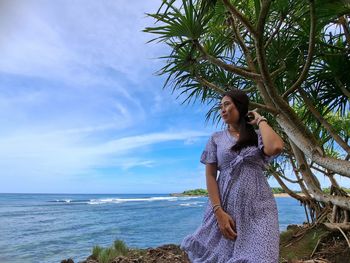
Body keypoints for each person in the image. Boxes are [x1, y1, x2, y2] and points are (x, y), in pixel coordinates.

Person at [180, 89, 284, 263]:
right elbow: (211, 176)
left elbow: (275, 148)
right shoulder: (216, 138)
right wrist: (218, 212)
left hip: (260, 209)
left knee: (265, 257)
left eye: (227, 104)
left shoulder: (257, 136)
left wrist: (260, 120)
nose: (222, 109)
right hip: (227, 211)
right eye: (220, 106)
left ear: (240, 106)